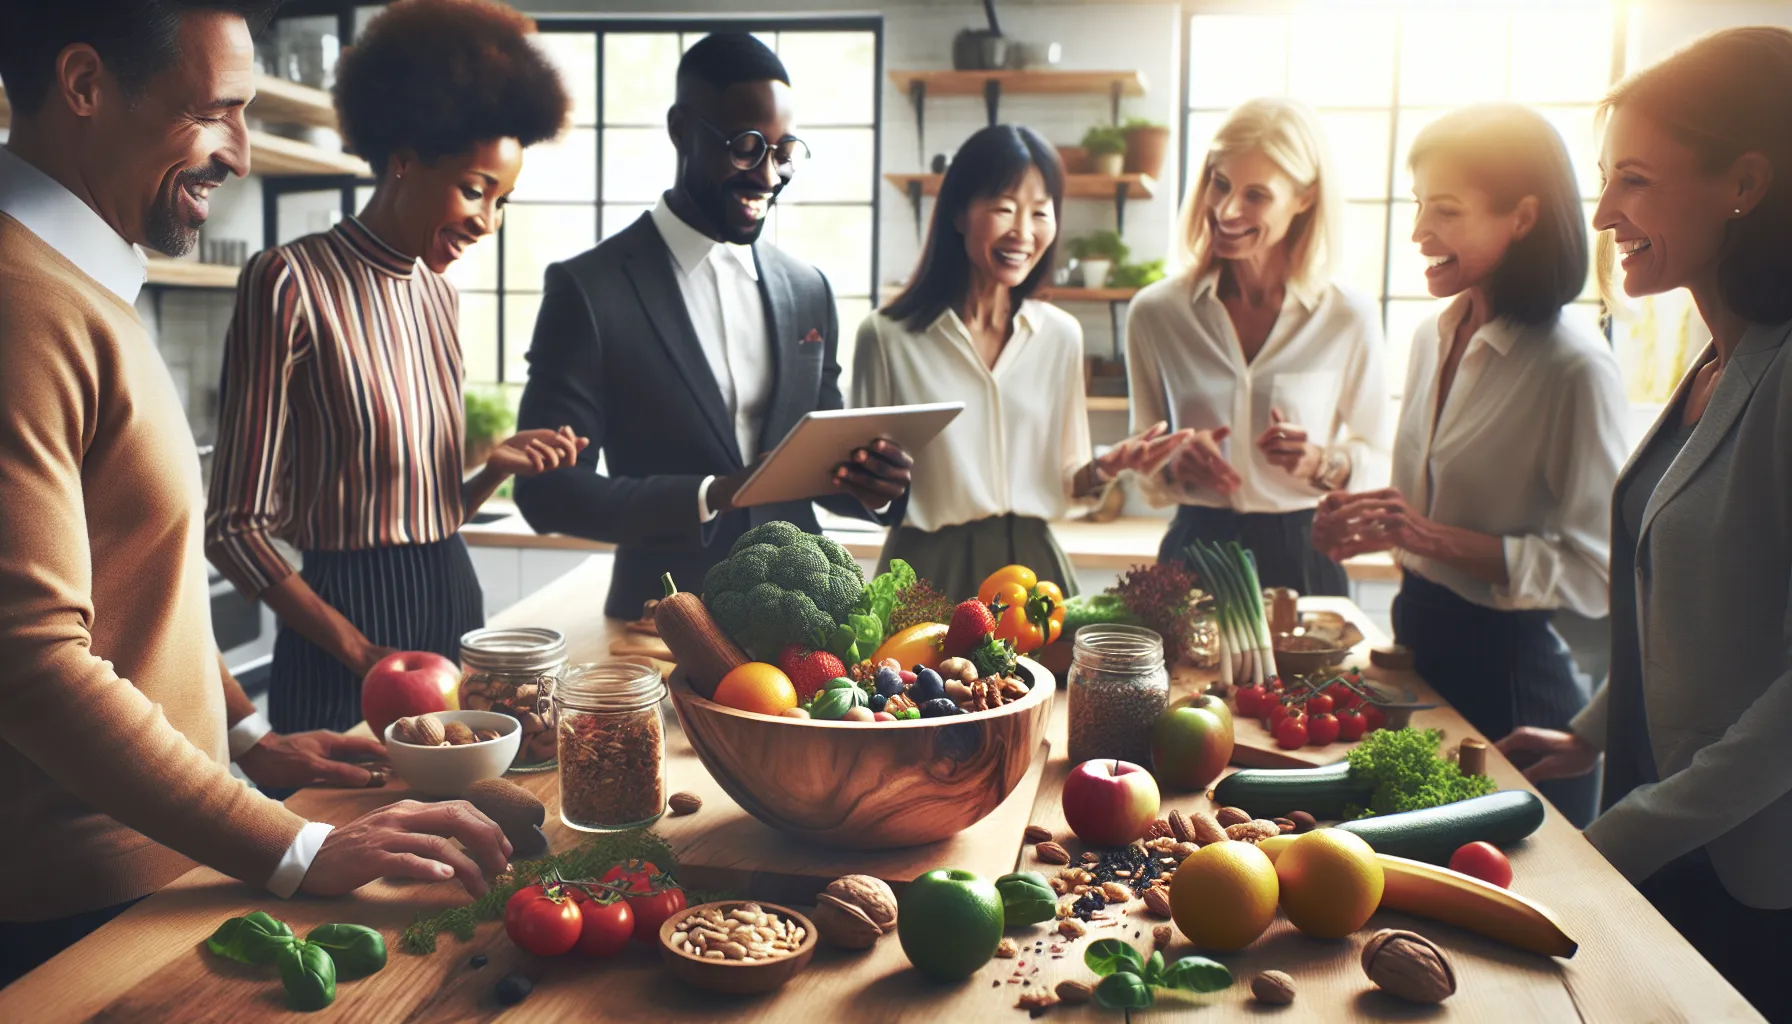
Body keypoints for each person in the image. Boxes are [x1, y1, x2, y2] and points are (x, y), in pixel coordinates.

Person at [0, 0, 509, 985]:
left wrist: (247, 733)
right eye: (216, 112)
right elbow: (27, 662)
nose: (238, 153)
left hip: (160, 855)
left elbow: (131, 582)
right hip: (81, 898)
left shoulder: (84, 283)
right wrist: (294, 846)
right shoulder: (23, 308)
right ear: (85, 86)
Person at [1493, 28, 1792, 1018]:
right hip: (1675, 836)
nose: (1607, 212)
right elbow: (1703, 616)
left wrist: (1625, 831)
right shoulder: (1713, 362)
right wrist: (1587, 731)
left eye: (1634, 180)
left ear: (1743, 181)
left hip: (1753, 864)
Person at [205, 0, 586, 734]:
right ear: (405, 154)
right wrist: (357, 649)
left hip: (451, 599)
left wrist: (493, 470)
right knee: (344, 834)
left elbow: (423, 519)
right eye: (475, 189)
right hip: (339, 631)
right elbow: (233, 528)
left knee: (460, 833)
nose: (487, 221)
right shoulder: (290, 281)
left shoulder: (440, 298)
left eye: (503, 201)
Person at [514, 33, 910, 620]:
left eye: (783, 152)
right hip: (660, 624)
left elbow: (816, 467)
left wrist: (874, 487)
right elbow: (546, 493)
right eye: (747, 147)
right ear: (681, 130)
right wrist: (710, 495)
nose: (769, 176)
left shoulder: (808, 289)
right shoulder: (590, 289)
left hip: (804, 629)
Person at [1313, 104, 1627, 829]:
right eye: (1421, 204)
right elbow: (1430, 514)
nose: (1419, 230)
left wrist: (1427, 538)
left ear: (1522, 217)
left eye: (1445, 210)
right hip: (1418, 649)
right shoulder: (1434, 333)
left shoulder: (1574, 367)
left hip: (1512, 684)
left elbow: (1598, 570)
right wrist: (1363, 527)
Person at [853, 125, 1188, 599]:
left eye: (1040, 212)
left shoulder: (1060, 337)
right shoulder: (887, 338)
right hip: (926, 572)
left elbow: (1066, 478)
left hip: (1034, 569)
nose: (1024, 233)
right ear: (958, 214)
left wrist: (1107, 466)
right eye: (1004, 209)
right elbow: (865, 488)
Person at [1126, 98, 1389, 596]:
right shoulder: (1156, 313)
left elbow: (1378, 452)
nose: (1226, 211)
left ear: (1305, 198)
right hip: (1194, 547)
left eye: (1256, 196)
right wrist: (1173, 462)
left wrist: (1320, 462)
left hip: (1304, 552)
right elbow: (1142, 446)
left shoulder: (1348, 315)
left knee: (1314, 680)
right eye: (1219, 184)